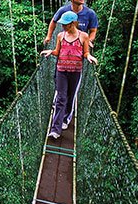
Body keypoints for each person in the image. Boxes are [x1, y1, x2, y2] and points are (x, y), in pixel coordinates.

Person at [40, 11, 97, 139]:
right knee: (61, 98)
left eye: (65, 24)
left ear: (72, 24)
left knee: (70, 98)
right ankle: (55, 130)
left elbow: (85, 52)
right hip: (61, 71)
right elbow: (57, 51)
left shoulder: (83, 36)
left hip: (76, 72)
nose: (63, 26)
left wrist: (89, 57)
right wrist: (51, 52)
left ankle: (66, 119)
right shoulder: (60, 35)